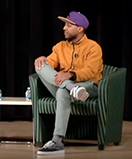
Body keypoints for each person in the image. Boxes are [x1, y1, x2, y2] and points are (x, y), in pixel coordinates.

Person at [34, 11, 103, 154]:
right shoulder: (60, 47)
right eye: (64, 25)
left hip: (88, 86)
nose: (64, 28)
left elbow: (90, 71)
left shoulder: (93, 47)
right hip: (70, 87)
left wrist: (70, 75)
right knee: (40, 66)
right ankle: (71, 88)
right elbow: (50, 63)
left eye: (68, 25)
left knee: (62, 91)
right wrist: (43, 59)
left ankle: (57, 141)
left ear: (80, 28)